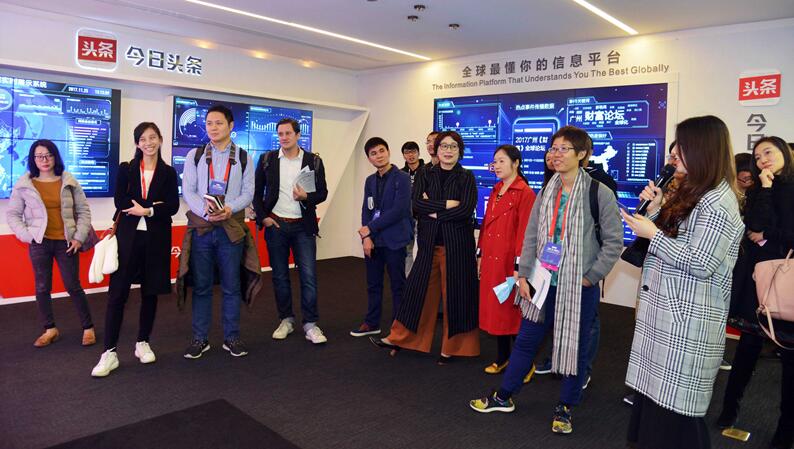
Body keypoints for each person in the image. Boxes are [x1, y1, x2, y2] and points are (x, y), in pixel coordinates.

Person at [469, 126, 623, 436]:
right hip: (542, 281)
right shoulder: (547, 190)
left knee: (574, 348)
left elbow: (613, 242)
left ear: (582, 154)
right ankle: (504, 396)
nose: (556, 154)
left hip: (578, 286)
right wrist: (525, 273)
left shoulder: (598, 193)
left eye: (564, 149)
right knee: (526, 341)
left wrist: (590, 277)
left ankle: (566, 406)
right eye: (553, 148)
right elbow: (532, 236)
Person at [622, 115, 743, 449]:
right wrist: (654, 211)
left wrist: (653, 234)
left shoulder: (718, 202)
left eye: (682, 149)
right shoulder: (695, 191)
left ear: (702, 150)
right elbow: (677, 238)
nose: (674, 156)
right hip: (670, 315)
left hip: (686, 321)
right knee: (659, 407)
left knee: (677, 415)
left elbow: (701, 262)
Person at [370, 131, 480, 363]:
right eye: (444, 146)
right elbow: (417, 204)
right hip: (429, 245)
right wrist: (447, 205)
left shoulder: (467, 177)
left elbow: (465, 210)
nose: (448, 150)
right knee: (418, 293)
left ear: (459, 151)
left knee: (456, 297)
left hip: (457, 247)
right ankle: (403, 337)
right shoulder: (425, 173)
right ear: (436, 150)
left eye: (453, 146)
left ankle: (452, 348)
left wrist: (434, 211)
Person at [719, 136, 794, 449]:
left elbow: (782, 233)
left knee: (790, 366)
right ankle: (728, 412)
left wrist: (766, 237)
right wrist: (764, 189)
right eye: (758, 155)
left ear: (785, 153)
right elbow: (753, 225)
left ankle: (785, 432)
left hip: (787, 285)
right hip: (756, 282)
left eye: (769, 152)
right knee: (745, 353)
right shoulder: (760, 189)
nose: (763, 159)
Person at [91, 123, 179, 377]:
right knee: (117, 294)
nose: (148, 143)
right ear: (137, 143)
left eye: (152, 137)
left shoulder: (169, 172)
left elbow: (172, 206)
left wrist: (146, 210)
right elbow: (120, 200)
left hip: (156, 239)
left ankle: (143, 342)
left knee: (150, 293)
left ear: (160, 139)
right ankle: (109, 353)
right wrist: (154, 205)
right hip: (127, 238)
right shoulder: (126, 169)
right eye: (143, 139)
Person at [6, 139, 96, 348]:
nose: (44, 160)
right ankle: (50, 329)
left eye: (48, 155)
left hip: (67, 243)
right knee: (42, 287)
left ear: (55, 156)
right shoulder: (24, 184)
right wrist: (27, 235)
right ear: (33, 159)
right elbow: (12, 214)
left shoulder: (69, 180)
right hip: (39, 243)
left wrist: (78, 237)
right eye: (39, 156)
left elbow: (83, 211)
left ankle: (88, 327)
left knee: (73, 286)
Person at [181, 104, 254, 358]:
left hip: (230, 229)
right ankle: (200, 339)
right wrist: (206, 212)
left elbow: (248, 192)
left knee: (231, 286)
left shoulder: (243, 157)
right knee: (201, 286)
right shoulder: (195, 155)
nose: (213, 128)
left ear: (231, 126)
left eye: (219, 123)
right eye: (209, 123)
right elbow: (188, 190)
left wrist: (229, 208)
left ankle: (231, 337)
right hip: (202, 229)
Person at [253, 117, 329, 344]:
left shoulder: (313, 160)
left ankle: (311, 324)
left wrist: (306, 197)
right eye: (280, 134)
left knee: (309, 276)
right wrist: (264, 217)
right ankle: (286, 319)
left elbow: (322, 192)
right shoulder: (267, 160)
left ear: (297, 135)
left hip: (303, 227)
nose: (284, 137)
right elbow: (256, 192)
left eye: (288, 133)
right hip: (276, 225)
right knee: (279, 277)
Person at [477, 145, 535, 376]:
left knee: (512, 315)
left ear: (516, 163)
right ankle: (502, 358)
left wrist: (519, 267)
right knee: (497, 312)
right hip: (492, 260)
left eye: (502, 161)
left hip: (509, 264)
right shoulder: (496, 189)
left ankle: (525, 364)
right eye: (495, 162)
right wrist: (480, 254)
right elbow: (485, 225)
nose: (497, 166)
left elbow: (525, 233)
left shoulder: (525, 192)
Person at [351, 137, 413, 337]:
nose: (378, 156)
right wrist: (366, 237)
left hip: (395, 240)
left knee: (398, 285)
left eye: (381, 151)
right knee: (373, 284)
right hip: (374, 240)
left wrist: (369, 228)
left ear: (388, 152)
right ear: (369, 158)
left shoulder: (402, 178)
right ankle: (372, 323)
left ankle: (399, 328)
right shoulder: (370, 181)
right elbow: (366, 210)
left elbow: (399, 210)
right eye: (373, 153)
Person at [401, 140, 424, 275]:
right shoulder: (400, 173)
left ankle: (421, 281)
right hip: (407, 219)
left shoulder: (428, 171)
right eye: (407, 152)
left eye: (413, 152)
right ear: (403, 155)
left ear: (418, 153)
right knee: (407, 251)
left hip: (423, 218)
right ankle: (408, 280)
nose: (410, 155)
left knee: (424, 251)